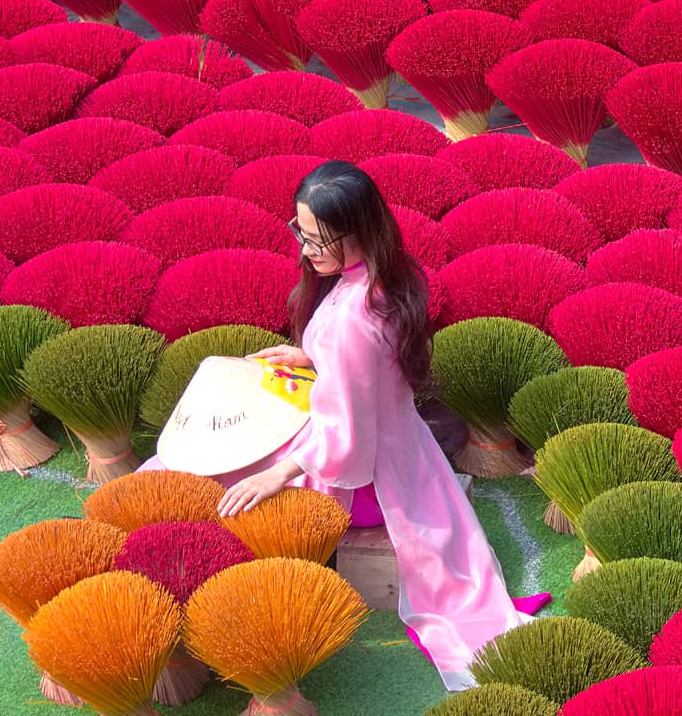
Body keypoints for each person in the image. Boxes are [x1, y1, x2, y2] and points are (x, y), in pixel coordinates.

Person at [142, 160, 547, 691]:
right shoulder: (388, 277)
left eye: (318, 241)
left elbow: (345, 438)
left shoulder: (355, 322)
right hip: (402, 455)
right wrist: (309, 355)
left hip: (365, 482)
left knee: (194, 471)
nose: (306, 250)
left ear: (360, 235)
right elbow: (367, 375)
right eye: (301, 233)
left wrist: (276, 475)